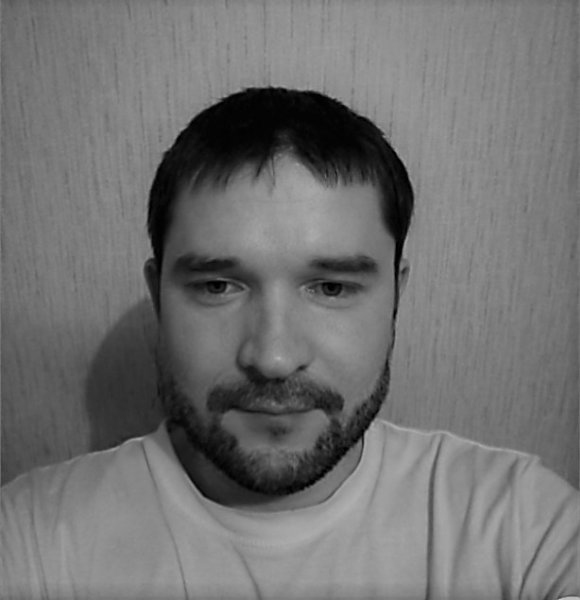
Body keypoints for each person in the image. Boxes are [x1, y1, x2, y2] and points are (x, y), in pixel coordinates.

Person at [1, 87, 578, 600]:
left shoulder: (523, 527)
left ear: (396, 297)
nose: (273, 359)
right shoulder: (32, 538)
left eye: (332, 288)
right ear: (158, 296)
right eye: (217, 286)